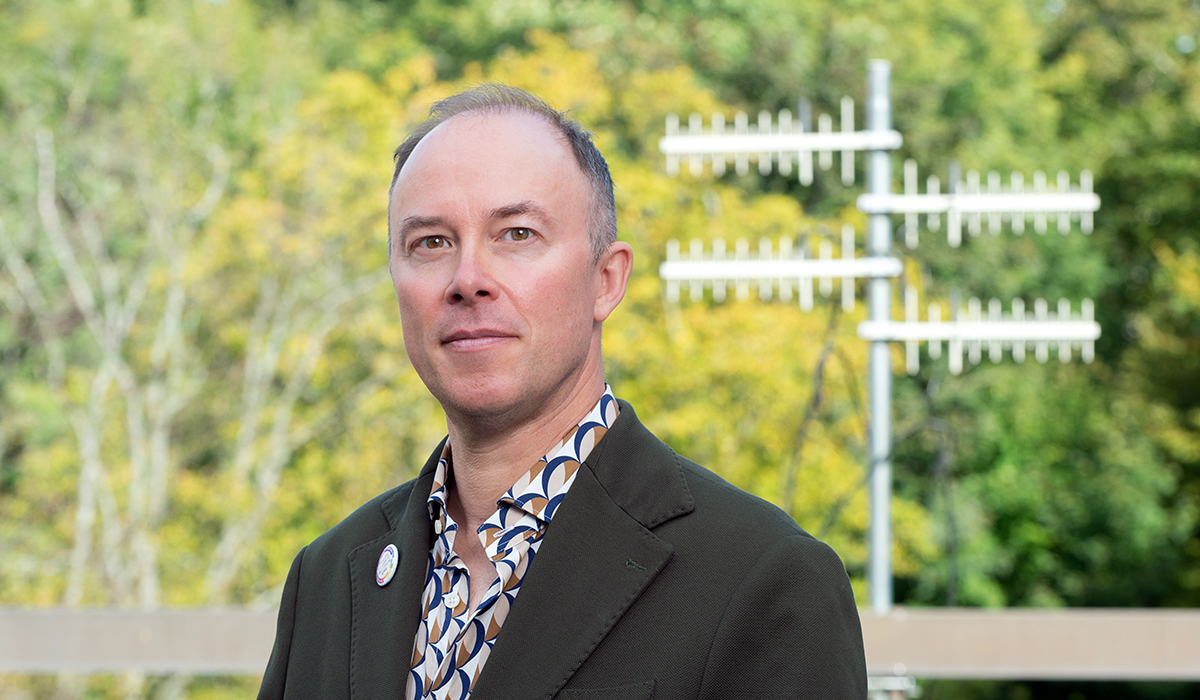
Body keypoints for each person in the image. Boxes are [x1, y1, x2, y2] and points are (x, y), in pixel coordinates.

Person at [257, 84, 867, 700]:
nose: (468, 279)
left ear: (606, 280)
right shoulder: (327, 580)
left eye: (517, 234)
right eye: (431, 242)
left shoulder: (762, 578)